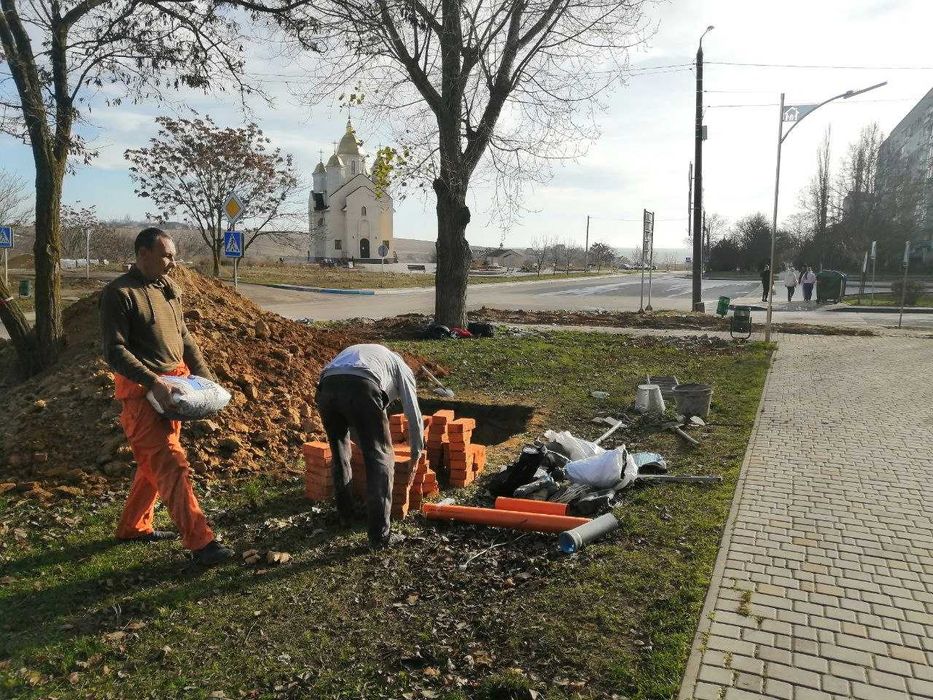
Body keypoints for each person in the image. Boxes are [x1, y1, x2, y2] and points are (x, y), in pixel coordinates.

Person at [100, 228, 233, 566]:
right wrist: (152, 382)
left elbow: (185, 337)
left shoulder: (168, 288)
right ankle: (202, 543)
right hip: (142, 395)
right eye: (166, 255)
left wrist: (206, 379)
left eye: (173, 255)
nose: (173, 263)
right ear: (142, 253)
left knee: (152, 466)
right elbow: (114, 351)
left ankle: (133, 526)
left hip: (176, 391)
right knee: (170, 464)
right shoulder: (119, 293)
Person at [316, 344, 423, 549]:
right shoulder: (402, 368)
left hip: (326, 388)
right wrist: (416, 454)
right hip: (362, 386)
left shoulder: (365, 354)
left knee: (339, 452)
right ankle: (379, 536)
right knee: (381, 458)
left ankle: (345, 516)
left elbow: (343, 396)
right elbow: (413, 413)